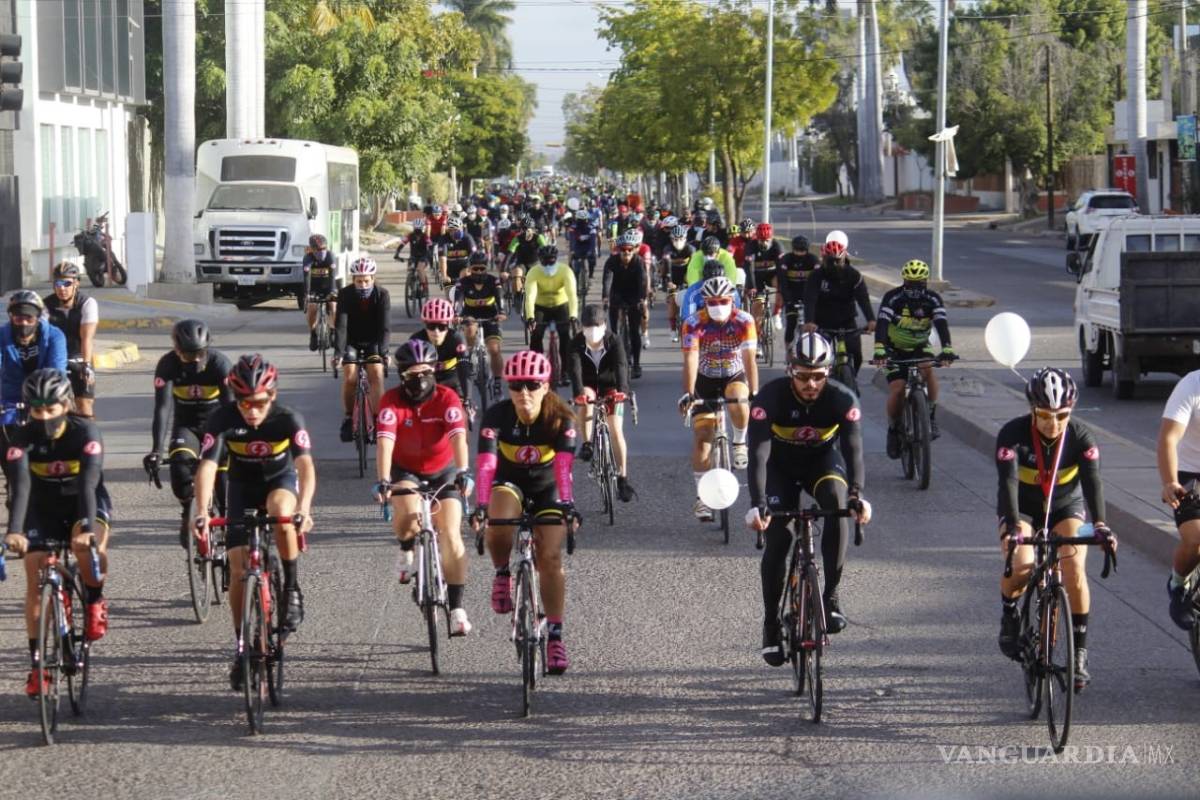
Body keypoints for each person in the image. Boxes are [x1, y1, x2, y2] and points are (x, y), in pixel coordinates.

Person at [193, 355, 316, 691]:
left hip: (280, 480)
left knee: (281, 511)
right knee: (236, 569)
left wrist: (304, 507)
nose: (252, 410)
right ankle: (242, 647)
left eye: (259, 403)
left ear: (272, 396)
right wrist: (202, 511)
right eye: (244, 403)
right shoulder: (222, 418)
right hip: (241, 488)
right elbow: (206, 467)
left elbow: (305, 467)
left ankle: (290, 588)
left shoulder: (288, 419)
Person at [746, 334, 871, 662]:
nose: (811, 383)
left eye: (818, 375)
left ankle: (829, 597)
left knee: (838, 501)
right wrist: (758, 503)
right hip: (779, 469)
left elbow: (854, 451)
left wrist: (857, 496)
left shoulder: (842, 399)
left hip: (822, 464)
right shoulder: (769, 399)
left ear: (828, 372)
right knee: (778, 541)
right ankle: (771, 624)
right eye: (802, 375)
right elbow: (757, 455)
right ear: (790, 370)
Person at [995, 367, 1113, 689]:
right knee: (1021, 563)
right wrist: (1011, 530)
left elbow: (1092, 482)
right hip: (1023, 507)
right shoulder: (1012, 435)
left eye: (1062, 415)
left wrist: (1101, 525)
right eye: (1045, 415)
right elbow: (1007, 483)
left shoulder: (1081, 437)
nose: (1054, 424)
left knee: (1073, 566)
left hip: (1064, 505)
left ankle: (1079, 654)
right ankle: (1009, 614)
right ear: (1033, 409)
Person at [3, 369, 114, 697]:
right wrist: (15, 532)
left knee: (86, 549)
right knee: (35, 572)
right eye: (38, 411)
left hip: (85, 501)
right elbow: (20, 486)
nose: (45, 417)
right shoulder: (21, 438)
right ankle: (37, 664)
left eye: (51, 409)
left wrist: (85, 529)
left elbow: (88, 483)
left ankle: (94, 599)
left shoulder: (86, 432)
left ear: (65, 405)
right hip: (43, 506)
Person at [475, 350, 579, 674]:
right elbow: (487, 464)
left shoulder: (561, 418)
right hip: (509, 482)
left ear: (546, 386)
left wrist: (568, 504)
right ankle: (502, 572)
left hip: (547, 489)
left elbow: (563, 468)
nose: (524, 393)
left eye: (532, 385)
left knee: (549, 557)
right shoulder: (496, 416)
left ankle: (555, 636)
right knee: (499, 517)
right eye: (516, 386)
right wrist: (480, 505)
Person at [374, 340, 474, 636]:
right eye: (412, 375)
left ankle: (456, 608)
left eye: (426, 372)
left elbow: (459, 438)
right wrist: (383, 479)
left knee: (452, 534)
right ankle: (406, 549)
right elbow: (384, 442)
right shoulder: (391, 402)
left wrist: (463, 471)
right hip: (407, 471)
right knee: (405, 514)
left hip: (444, 470)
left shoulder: (447, 398)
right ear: (402, 375)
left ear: (434, 371)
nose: (420, 380)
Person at [145, 320, 234, 547]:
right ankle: (188, 509)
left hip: (217, 425)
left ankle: (226, 528)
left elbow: (231, 409)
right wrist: (156, 450)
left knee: (223, 485)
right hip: (187, 425)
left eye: (199, 353)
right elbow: (163, 409)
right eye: (188, 354)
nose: (195, 360)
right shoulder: (167, 365)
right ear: (177, 349)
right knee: (179, 466)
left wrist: (233, 441)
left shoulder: (219, 364)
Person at [679, 276, 757, 521]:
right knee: (703, 439)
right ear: (704, 302)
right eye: (712, 302)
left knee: (738, 398)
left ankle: (740, 442)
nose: (717, 306)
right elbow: (690, 359)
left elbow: (749, 360)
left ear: (732, 299)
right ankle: (703, 498)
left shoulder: (744, 320)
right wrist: (689, 393)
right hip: (705, 379)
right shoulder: (693, 323)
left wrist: (755, 392)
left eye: (723, 301)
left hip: (734, 374)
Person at [871, 259, 956, 456]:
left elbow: (941, 324)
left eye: (919, 284)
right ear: (904, 281)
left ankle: (931, 416)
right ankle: (893, 429)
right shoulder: (893, 298)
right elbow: (882, 324)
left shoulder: (932, 299)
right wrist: (879, 349)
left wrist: (948, 349)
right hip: (893, 349)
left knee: (928, 370)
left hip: (919, 347)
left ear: (925, 281)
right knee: (898, 388)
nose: (915, 288)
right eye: (911, 283)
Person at [569, 305, 635, 501]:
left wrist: (622, 391)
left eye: (597, 325)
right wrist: (578, 393)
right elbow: (574, 370)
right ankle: (588, 444)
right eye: (588, 326)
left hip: (611, 386)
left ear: (604, 325)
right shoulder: (576, 343)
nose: (593, 330)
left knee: (616, 430)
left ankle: (623, 478)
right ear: (582, 327)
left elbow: (622, 365)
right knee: (586, 398)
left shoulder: (614, 341)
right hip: (588, 385)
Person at [1156, 370, 1200, 631]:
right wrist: (1170, 481)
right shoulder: (1192, 385)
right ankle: (1179, 584)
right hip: (1190, 475)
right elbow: (1169, 438)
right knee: (1196, 539)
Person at [802, 230, 875, 376]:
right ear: (824, 258)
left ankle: (851, 382)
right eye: (831, 261)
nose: (835, 264)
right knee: (817, 357)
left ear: (844, 258)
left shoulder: (854, 275)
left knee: (857, 355)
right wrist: (809, 321)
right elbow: (810, 299)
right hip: (822, 322)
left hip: (847, 321)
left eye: (838, 261)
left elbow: (863, 299)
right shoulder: (816, 276)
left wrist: (871, 319)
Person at [334, 257, 390, 442]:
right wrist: (338, 353)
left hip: (373, 339)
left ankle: (377, 419)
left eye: (367, 280)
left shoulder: (382, 295)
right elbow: (341, 325)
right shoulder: (345, 294)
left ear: (373, 278)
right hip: (352, 340)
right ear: (353, 280)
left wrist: (384, 352)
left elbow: (385, 327)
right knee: (350, 375)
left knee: (376, 372)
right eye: (359, 281)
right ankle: (349, 417)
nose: (363, 285)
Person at [0, 291, 67, 432]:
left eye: (29, 318)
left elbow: (57, 372)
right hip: (11, 398)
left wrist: (48, 399)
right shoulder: (1, 336)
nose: (24, 323)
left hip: (46, 397)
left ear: (37, 318)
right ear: (11, 318)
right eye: (18, 319)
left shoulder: (55, 336)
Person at [43, 262, 99, 418]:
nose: (62, 288)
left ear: (76, 284)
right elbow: (42, 337)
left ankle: (89, 437)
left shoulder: (87, 303)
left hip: (79, 355)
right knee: (53, 404)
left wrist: (86, 365)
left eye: (67, 283)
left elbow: (86, 337)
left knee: (84, 404)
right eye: (58, 283)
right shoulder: (45, 305)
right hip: (55, 357)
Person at [452, 252, 506, 394]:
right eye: (475, 269)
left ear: (486, 268)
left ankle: (498, 381)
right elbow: (458, 300)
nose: (479, 272)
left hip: (491, 315)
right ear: (470, 268)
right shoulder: (463, 282)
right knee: (469, 331)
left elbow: (500, 296)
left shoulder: (493, 281)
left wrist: (502, 312)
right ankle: (469, 357)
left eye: (482, 268)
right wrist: (456, 314)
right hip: (471, 315)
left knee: (494, 350)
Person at [525, 245, 578, 382]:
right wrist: (530, 317)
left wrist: (573, 316)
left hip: (561, 305)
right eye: (545, 261)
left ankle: (566, 371)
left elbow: (572, 295)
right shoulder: (533, 272)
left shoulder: (565, 271)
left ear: (557, 259)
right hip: (540, 306)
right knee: (536, 335)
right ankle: (537, 368)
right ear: (539, 260)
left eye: (551, 261)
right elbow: (530, 297)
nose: (548, 264)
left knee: (565, 336)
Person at [601, 232, 648, 380]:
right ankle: (614, 360)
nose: (626, 253)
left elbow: (643, 281)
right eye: (623, 250)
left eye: (630, 250)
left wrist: (642, 299)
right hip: (617, 295)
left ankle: (636, 364)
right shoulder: (611, 262)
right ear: (619, 250)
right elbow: (607, 280)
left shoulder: (639, 262)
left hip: (634, 295)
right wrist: (605, 298)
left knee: (634, 331)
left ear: (634, 249)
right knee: (613, 331)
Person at [411, 297, 470, 402]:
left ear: (448, 325)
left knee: (462, 412)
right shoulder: (416, 340)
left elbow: (464, 370)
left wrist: (467, 399)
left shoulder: (456, 338)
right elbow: (407, 373)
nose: (436, 332)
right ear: (425, 324)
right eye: (431, 326)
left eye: (442, 327)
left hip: (452, 379)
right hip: (426, 381)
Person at [774, 235, 818, 351]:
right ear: (793, 249)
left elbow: (818, 281)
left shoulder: (813, 260)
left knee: (814, 324)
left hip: (808, 296)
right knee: (791, 323)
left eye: (802, 251)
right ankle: (788, 350)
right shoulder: (786, 260)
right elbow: (782, 282)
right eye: (797, 251)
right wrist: (787, 300)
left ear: (807, 250)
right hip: (791, 295)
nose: (800, 254)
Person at [744, 223, 782, 333]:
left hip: (772, 275)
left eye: (767, 240)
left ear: (771, 238)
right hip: (757, 277)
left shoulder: (776, 245)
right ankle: (758, 338)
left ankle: (777, 314)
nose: (764, 243)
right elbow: (748, 267)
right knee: (757, 309)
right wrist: (752, 287)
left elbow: (781, 268)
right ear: (757, 238)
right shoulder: (751, 245)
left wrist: (781, 289)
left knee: (780, 285)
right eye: (761, 240)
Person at [302, 235, 338, 352]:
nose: (321, 251)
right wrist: (307, 294)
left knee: (333, 306)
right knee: (312, 308)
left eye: (324, 248)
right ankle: (313, 334)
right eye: (318, 249)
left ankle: (333, 330)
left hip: (328, 286)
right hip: (314, 288)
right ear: (311, 249)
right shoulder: (308, 258)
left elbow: (332, 276)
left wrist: (332, 292)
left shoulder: (330, 256)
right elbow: (306, 277)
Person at [661, 224, 695, 343]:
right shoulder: (667, 249)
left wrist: (692, 280)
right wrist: (669, 281)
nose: (678, 241)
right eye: (676, 239)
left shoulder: (690, 249)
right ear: (671, 239)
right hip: (672, 276)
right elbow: (667, 266)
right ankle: (673, 329)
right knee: (672, 299)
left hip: (686, 274)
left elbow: (693, 266)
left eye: (681, 239)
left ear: (685, 239)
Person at [394, 219, 435, 297]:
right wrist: (397, 254)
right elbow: (402, 244)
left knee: (419, 269)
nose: (417, 231)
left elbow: (430, 246)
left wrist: (430, 256)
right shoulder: (410, 235)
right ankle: (413, 289)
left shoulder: (425, 237)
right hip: (413, 256)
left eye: (419, 229)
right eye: (416, 229)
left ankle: (424, 288)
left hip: (423, 256)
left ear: (422, 228)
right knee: (410, 269)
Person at [438, 218, 477, 289]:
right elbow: (442, 259)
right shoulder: (443, 239)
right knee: (449, 294)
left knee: (465, 277)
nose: (455, 232)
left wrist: (471, 270)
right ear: (449, 230)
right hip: (449, 267)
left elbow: (474, 255)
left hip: (464, 265)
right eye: (452, 230)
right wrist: (444, 275)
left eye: (457, 229)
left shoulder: (467, 237)